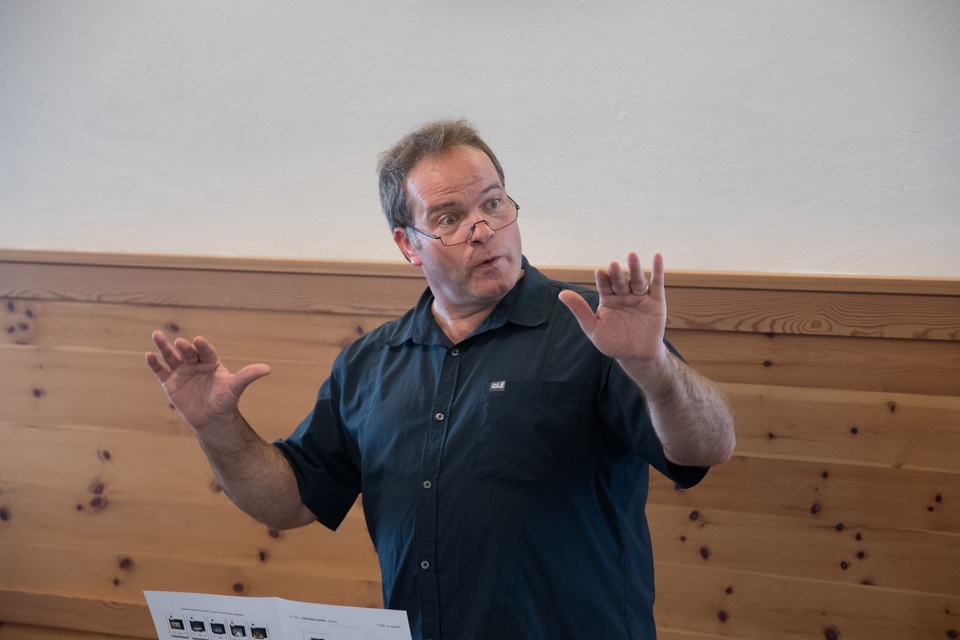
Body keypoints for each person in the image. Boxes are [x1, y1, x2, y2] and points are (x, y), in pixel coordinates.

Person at [146, 119, 736, 640]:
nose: (482, 229)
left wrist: (654, 368)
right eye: (450, 218)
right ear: (408, 244)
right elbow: (291, 501)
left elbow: (709, 447)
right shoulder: (369, 363)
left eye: (493, 204)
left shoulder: (596, 330)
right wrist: (218, 429)